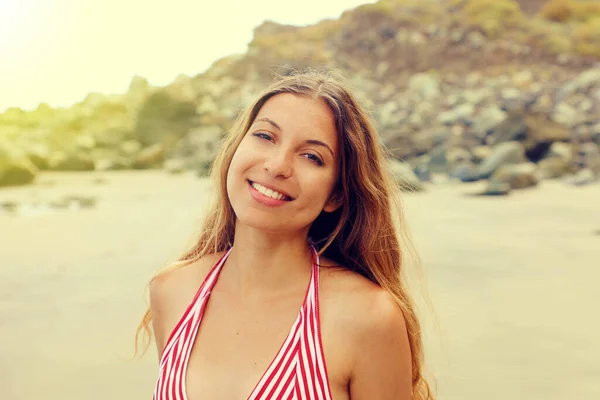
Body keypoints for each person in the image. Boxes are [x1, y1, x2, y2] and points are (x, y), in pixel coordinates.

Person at [135, 69, 434, 399]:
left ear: (336, 195)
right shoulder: (173, 291)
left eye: (311, 156)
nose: (277, 166)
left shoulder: (366, 318)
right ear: (236, 149)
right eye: (265, 136)